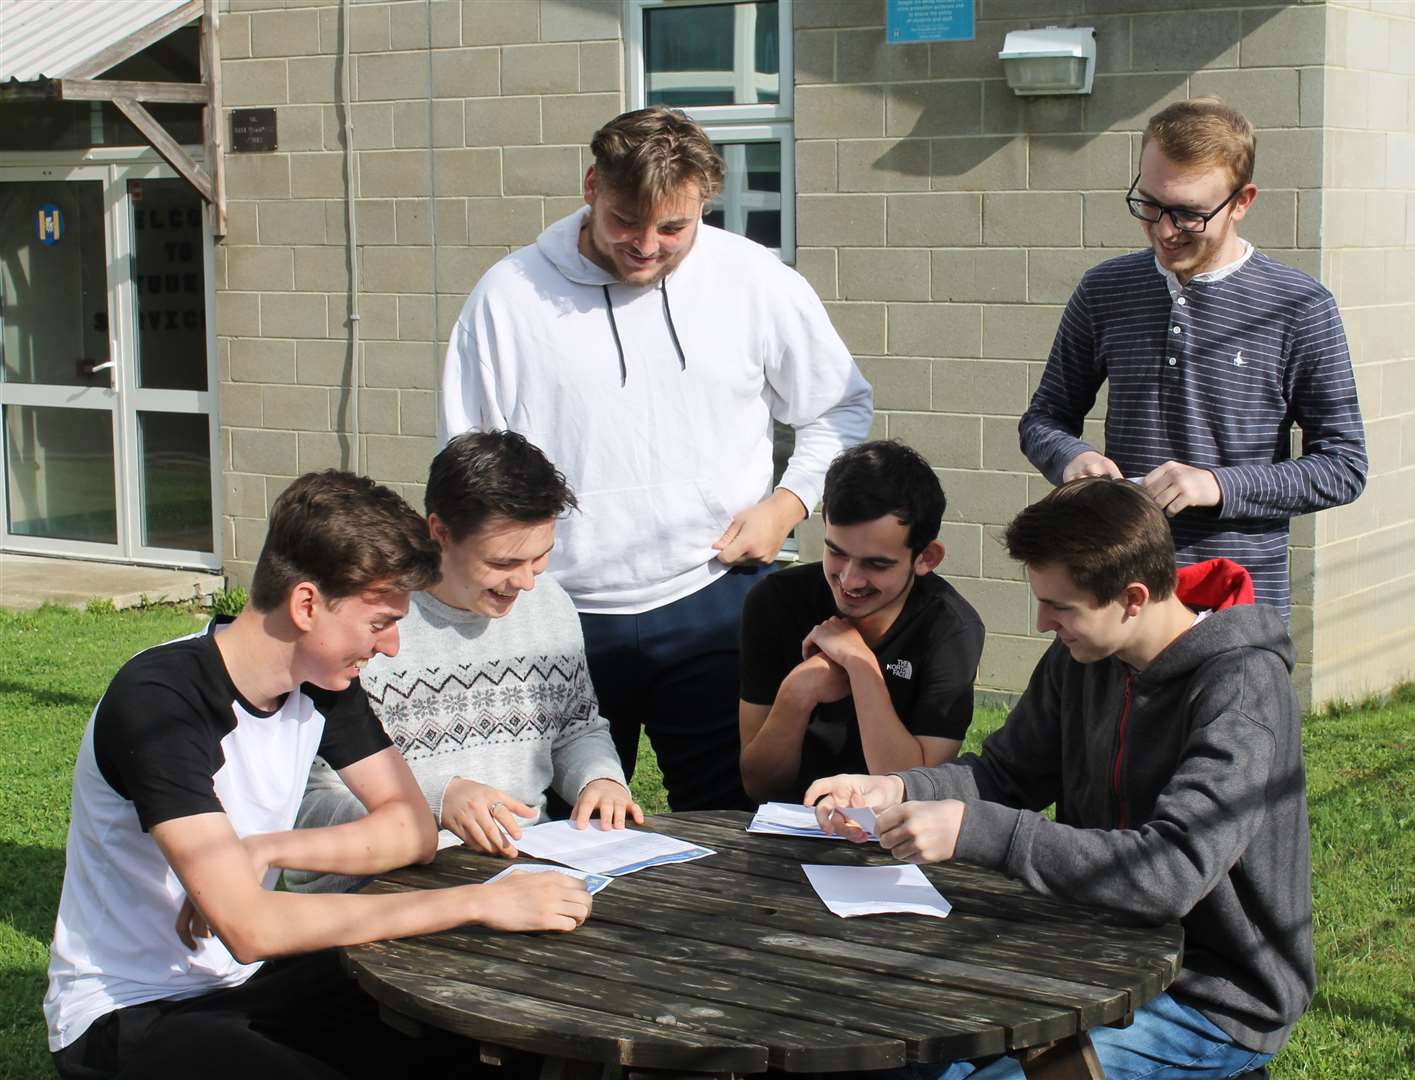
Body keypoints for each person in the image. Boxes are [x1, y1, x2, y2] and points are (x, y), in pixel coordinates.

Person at [44, 471, 594, 1080]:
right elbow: (249, 926)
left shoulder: (323, 683)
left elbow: (409, 830)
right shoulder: (160, 701)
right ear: (307, 605)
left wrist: (266, 848)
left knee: (476, 1017)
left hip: (247, 986)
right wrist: (477, 902)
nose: (390, 647)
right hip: (130, 1014)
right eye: (380, 621)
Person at [440, 106, 873, 811]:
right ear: (590, 186)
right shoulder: (507, 298)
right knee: (553, 830)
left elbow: (839, 408)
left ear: (706, 203)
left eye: (674, 227)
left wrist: (788, 504)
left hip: (715, 598)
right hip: (554, 612)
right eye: (625, 222)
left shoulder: (753, 280)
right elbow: (467, 464)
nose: (647, 245)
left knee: (734, 823)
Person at [810, 478, 1313, 1080]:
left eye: (1060, 606)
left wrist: (983, 832)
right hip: (1086, 956)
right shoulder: (1087, 655)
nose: (1044, 622)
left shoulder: (1241, 689)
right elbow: (1005, 773)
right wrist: (898, 789)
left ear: (1132, 598)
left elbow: (1172, 871)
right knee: (884, 1050)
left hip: (1212, 996)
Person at [1019, 97, 1367, 614]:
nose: (1163, 229)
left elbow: (1344, 466)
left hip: (1238, 605)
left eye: (1188, 213)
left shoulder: (1299, 307)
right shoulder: (1105, 290)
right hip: (1120, 592)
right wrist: (1073, 458)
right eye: (1150, 204)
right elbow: (1043, 420)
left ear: (1242, 200)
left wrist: (1216, 485)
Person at [290, 432, 640, 894]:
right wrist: (433, 803)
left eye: (541, 557)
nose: (525, 582)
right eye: (503, 561)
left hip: (525, 868)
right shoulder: (367, 622)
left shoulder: (550, 604)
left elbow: (576, 727)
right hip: (380, 886)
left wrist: (600, 780)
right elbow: (309, 801)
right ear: (440, 532)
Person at [737, 441, 986, 803]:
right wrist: (797, 692)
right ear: (824, 525)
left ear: (926, 558)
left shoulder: (949, 629)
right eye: (836, 553)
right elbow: (759, 786)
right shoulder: (774, 602)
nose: (850, 581)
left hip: (892, 837)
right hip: (791, 823)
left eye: (877, 564)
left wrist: (860, 665)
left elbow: (916, 793)